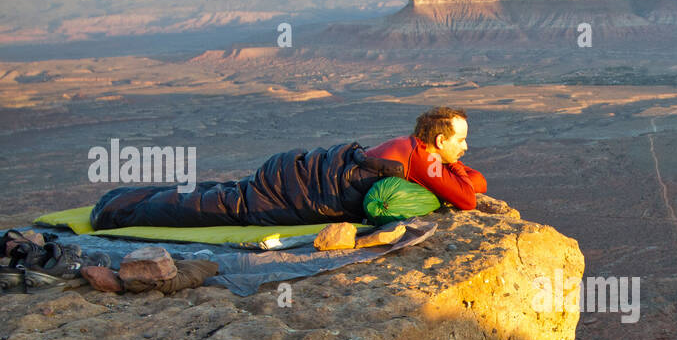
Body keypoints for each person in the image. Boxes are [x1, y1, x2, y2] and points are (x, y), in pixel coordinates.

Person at [87, 106, 490, 231]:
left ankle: (125, 197)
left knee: (218, 195)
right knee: (211, 209)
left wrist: (459, 170)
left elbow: (475, 181)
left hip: (293, 174)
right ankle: (114, 211)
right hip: (293, 193)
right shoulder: (425, 158)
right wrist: (457, 175)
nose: (466, 146)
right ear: (439, 142)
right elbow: (469, 198)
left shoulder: (417, 150)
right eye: (460, 140)